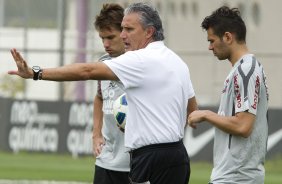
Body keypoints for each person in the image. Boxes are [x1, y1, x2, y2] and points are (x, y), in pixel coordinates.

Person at [9, 2, 198, 184]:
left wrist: (36, 73)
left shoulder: (138, 60)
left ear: (149, 32)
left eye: (129, 30)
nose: (123, 35)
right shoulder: (177, 62)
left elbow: (86, 71)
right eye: (122, 29)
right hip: (177, 155)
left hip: (150, 157)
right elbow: (192, 112)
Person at [188, 6, 269, 184]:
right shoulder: (241, 69)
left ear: (227, 37)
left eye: (212, 40)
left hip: (238, 177)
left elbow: (243, 126)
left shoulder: (246, 69)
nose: (210, 47)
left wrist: (206, 114)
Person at [92, 3, 130, 184]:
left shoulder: (141, 64)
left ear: (124, 33)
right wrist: (96, 134)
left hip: (135, 162)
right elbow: (99, 97)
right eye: (102, 38)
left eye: (110, 37)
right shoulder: (103, 62)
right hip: (106, 160)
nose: (106, 44)